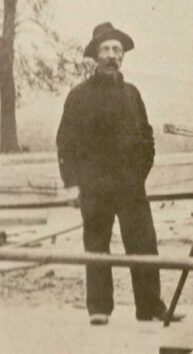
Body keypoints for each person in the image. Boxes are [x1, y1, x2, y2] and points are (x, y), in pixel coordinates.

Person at [56, 22, 170, 326]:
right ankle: (99, 308)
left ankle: (149, 306)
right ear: (94, 55)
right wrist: (71, 185)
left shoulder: (132, 94)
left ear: (123, 57)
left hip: (131, 187)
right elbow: (65, 143)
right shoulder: (78, 96)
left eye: (116, 50)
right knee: (96, 245)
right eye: (105, 49)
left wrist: (139, 173)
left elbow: (147, 138)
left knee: (144, 244)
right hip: (94, 187)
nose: (111, 55)